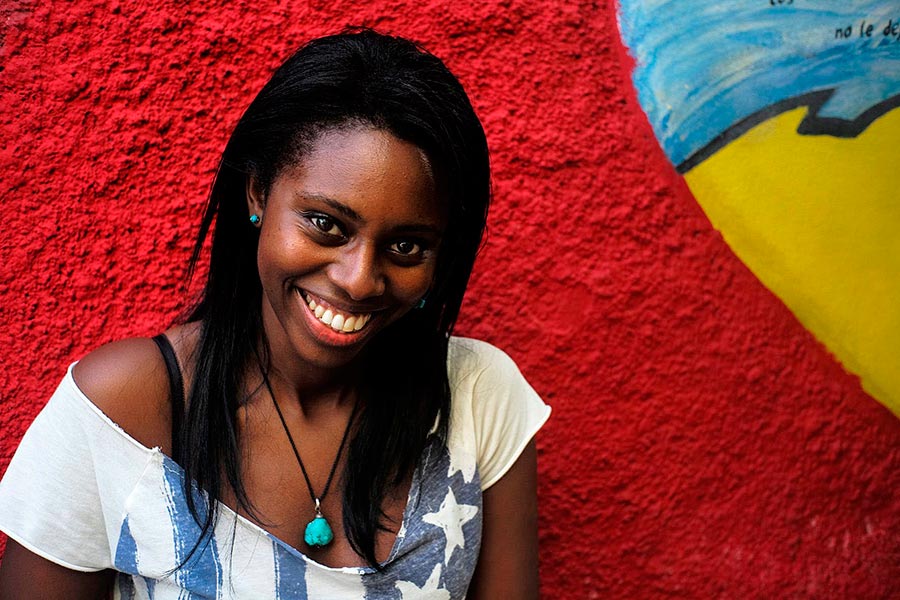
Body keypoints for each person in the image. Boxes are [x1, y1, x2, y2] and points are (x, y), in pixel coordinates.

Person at [0, 29, 550, 599]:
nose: (359, 278)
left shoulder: (479, 396)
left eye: (406, 246)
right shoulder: (123, 409)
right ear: (258, 194)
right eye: (325, 224)